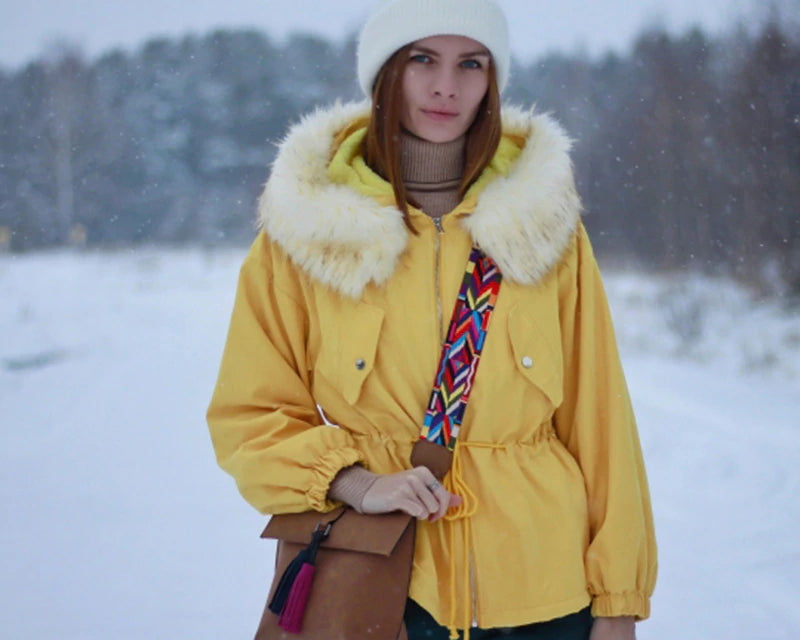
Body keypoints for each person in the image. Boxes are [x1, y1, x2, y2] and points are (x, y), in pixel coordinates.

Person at [206, 1, 657, 639]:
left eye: (470, 63)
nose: (447, 85)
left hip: (546, 596)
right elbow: (249, 416)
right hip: (384, 589)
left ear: (492, 81)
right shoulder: (305, 234)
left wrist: (618, 601)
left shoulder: (543, 224)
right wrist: (356, 483)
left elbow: (601, 423)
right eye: (423, 59)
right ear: (386, 71)